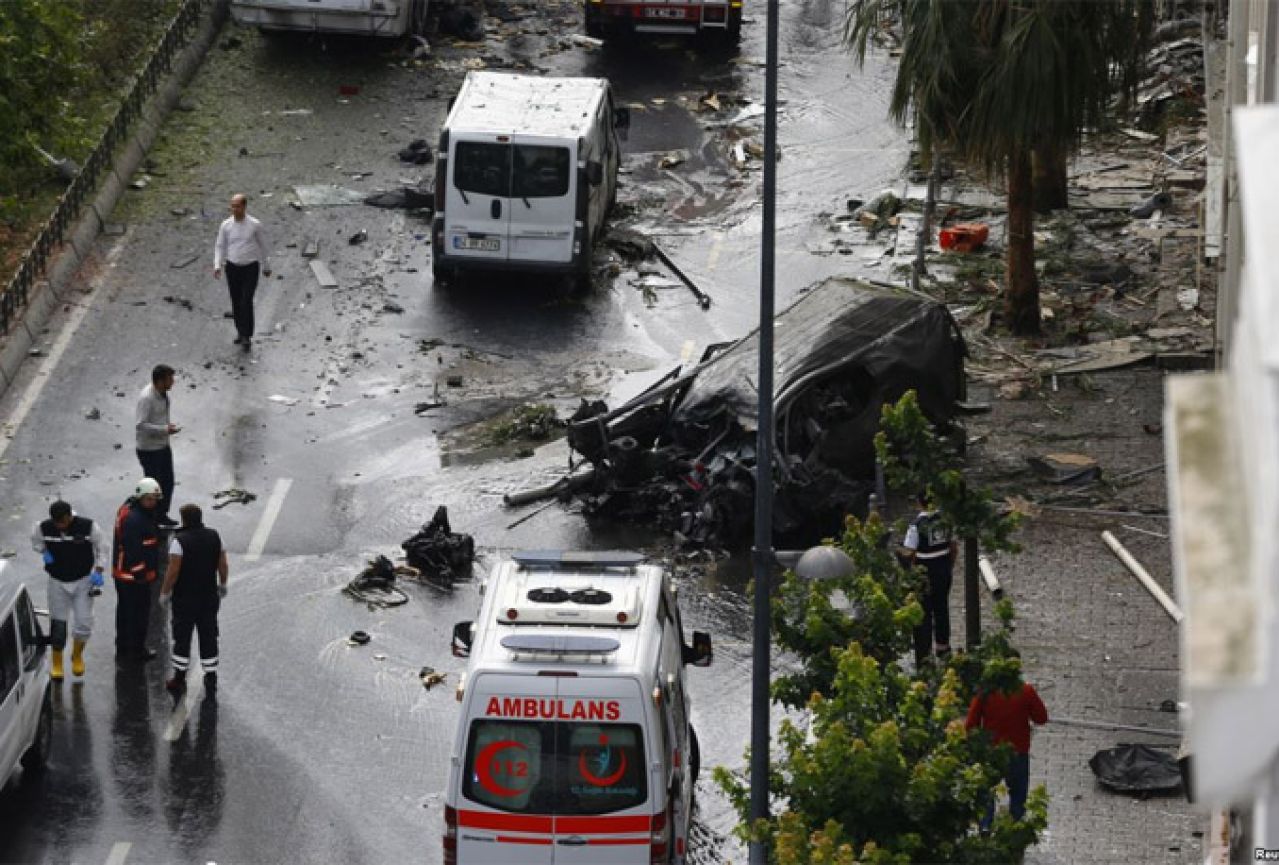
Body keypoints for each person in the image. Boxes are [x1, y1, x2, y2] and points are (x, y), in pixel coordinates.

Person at [965, 653, 1049, 829]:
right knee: (1018, 797)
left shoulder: (985, 693)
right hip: (1018, 752)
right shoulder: (1026, 691)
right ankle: (1014, 830)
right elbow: (1041, 718)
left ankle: (985, 827)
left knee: (986, 793)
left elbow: (970, 724)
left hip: (991, 751)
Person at [30, 501, 106, 680]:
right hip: (57, 581)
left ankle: (77, 655)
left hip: (82, 580)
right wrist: (43, 552)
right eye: (57, 523)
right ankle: (57, 662)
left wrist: (99, 570)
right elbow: (36, 542)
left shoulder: (88, 527)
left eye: (63, 522)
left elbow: (102, 548)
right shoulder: (43, 528)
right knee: (58, 623)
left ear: (70, 516)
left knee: (84, 622)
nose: (60, 526)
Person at [159, 504, 228, 696]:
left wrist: (165, 592)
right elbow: (222, 564)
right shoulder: (215, 536)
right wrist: (223, 584)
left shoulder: (179, 541)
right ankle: (211, 676)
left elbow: (173, 572)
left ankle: (179, 677)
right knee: (209, 635)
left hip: (185, 599)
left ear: (184, 519)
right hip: (208, 597)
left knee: (182, 637)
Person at [902, 492, 959, 659]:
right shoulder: (945, 521)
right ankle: (943, 645)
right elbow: (954, 548)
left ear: (918, 503)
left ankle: (924, 651)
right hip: (943, 569)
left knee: (925, 611)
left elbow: (909, 552)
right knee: (942, 608)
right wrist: (949, 566)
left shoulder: (916, 525)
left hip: (924, 573)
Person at [112, 478, 164, 662]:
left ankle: (124, 646)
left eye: (155, 499)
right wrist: (141, 574)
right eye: (150, 499)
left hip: (124, 573)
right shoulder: (136, 519)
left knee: (125, 612)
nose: (153, 502)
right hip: (132, 576)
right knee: (138, 613)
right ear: (141, 497)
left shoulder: (130, 510)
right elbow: (133, 549)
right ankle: (136, 649)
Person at [213, 193, 271, 350]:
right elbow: (220, 245)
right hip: (232, 267)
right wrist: (217, 265)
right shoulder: (226, 225)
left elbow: (263, 245)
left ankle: (247, 334)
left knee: (246, 300)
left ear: (244, 207)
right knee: (236, 300)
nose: (234, 209)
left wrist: (266, 266)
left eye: (237, 206)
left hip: (250, 267)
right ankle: (240, 331)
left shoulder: (254, 225)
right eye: (232, 206)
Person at [136, 364, 180, 528]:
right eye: (170, 379)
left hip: (162, 445)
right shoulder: (147, 398)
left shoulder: (163, 394)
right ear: (160, 381)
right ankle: (151, 519)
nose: (173, 382)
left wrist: (166, 428)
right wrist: (164, 429)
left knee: (168, 482)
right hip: (149, 450)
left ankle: (161, 515)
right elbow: (140, 425)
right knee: (154, 487)